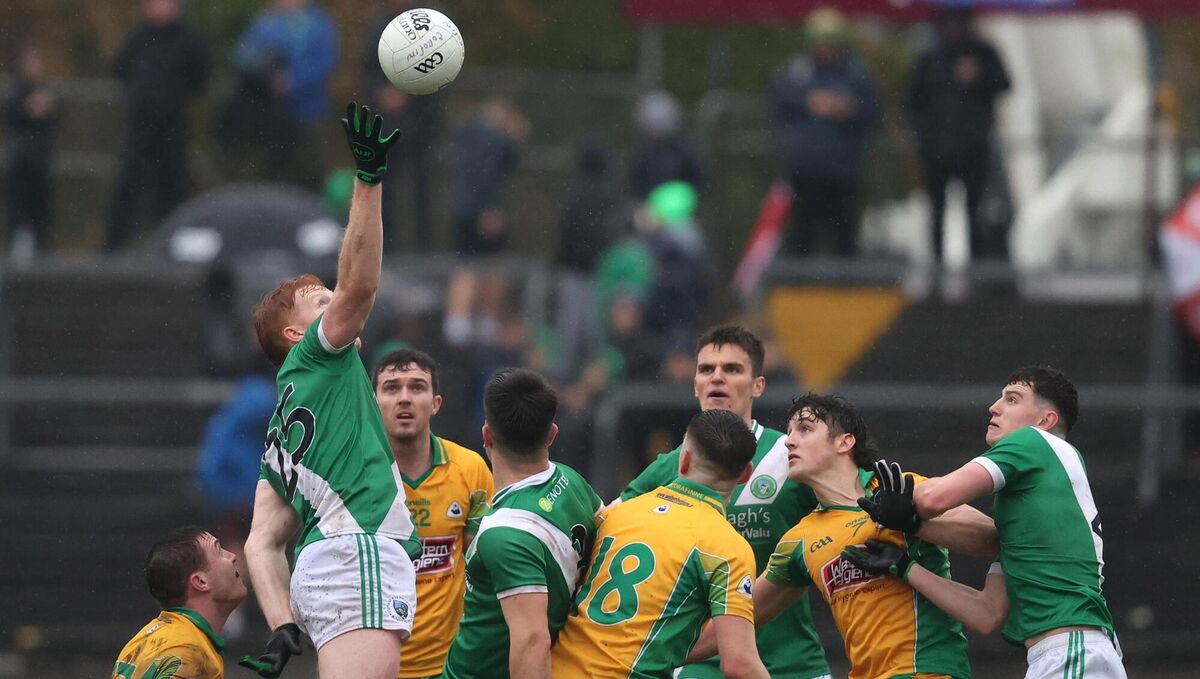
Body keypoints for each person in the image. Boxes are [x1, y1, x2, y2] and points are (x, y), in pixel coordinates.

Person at [242, 102, 417, 679]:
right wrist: (369, 180)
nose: (335, 303)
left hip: (329, 564)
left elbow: (262, 543)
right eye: (321, 301)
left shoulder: (282, 425)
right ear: (296, 335)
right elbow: (361, 285)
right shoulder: (315, 355)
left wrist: (281, 623)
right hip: (355, 551)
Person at [689, 394, 999, 678]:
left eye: (805, 429)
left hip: (928, 673)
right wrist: (667, 650)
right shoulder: (799, 539)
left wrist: (913, 521)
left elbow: (989, 537)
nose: (788, 441)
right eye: (789, 431)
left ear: (844, 442)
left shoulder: (900, 490)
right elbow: (739, 618)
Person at [862, 366, 1127, 679]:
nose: (994, 407)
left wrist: (866, 495)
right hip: (1072, 651)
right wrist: (905, 566)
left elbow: (933, 499)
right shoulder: (1029, 502)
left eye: (1012, 399)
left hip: (1070, 651)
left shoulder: (1033, 441)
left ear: (1045, 421)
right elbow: (986, 613)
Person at [617, 326, 831, 679]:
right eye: (706, 369)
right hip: (697, 669)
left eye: (732, 369)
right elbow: (604, 525)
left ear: (758, 385)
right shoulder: (668, 467)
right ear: (695, 385)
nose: (717, 377)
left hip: (792, 666)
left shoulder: (790, 455)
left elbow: (861, 505)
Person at [552, 409, 769, 679]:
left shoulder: (617, 514)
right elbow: (740, 664)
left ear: (683, 460)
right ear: (746, 474)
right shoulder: (727, 549)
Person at [442, 368, 603, 679]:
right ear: (552, 434)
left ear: (486, 436)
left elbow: (532, 641)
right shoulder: (571, 480)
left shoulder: (505, 533)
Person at [371, 348, 494, 678]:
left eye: (417, 387)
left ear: (436, 403)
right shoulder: (353, 476)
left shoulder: (471, 470)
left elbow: (485, 569)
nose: (405, 398)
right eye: (392, 388)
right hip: (372, 665)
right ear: (373, 403)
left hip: (451, 667)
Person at [771, 8, 880, 257]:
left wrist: (848, 109)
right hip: (804, 170)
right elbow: (779, 102)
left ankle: (845, 280)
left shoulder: (856, 74)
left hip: (843, 171)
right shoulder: (797, 71)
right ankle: (802, 279)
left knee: (844, 239)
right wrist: (809, 102)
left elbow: (872, 113)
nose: (826, 49)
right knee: (802, 237)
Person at [908, 6, 1012, 263]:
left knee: (975, 212)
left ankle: (977, 271)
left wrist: (979, 76)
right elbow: (913, 101)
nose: (953, 27)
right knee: (937, 213)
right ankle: (937, 270)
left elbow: (1005, 84)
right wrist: (925, 136)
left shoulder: (983, 52)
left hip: (974, 148)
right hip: (937, 150)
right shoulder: (930, 57)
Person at [106, 0, 210, 250]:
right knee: (130, 183)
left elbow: (201, 75)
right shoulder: (138, 37)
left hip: (172, 125)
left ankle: (169, 245)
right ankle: (114, 246)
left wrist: (175, 97)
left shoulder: (188, 38)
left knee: (171, 186)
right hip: (140, 124)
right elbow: (121, 68)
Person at [113, 527, 248, 679]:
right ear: (200, 581)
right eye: (219, 551)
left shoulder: (141, 641)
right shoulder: (187, 648)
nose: (233, 556)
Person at [362, 0, 441, 250]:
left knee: (423, 188)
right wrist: (382, 93)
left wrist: (410, 90)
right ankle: (388, 248)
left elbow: (439, 69)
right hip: (388, 123)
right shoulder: (379, 25)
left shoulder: (432, 20)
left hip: (423, 123)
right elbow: (368, 69)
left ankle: (424, 248)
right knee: (385, 188)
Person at [234, 0, 338, 187]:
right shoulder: (266, 22)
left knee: (311, 169)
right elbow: (243, 55)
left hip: (310, 111)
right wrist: (266, 75)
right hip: (271, 113)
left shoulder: (319, 23)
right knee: (274, 170)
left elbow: (325, 62)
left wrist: (293, 80)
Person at [3, 42, 57, 259]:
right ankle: (17, 252)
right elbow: (11, 117)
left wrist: (46, 109)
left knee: (40, 209)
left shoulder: (44, 90)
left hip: (39, 160)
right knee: (18, 209)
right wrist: (28, 108)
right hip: (20, 160)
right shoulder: (16, 91)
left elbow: (53, 124)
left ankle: (42, 252)